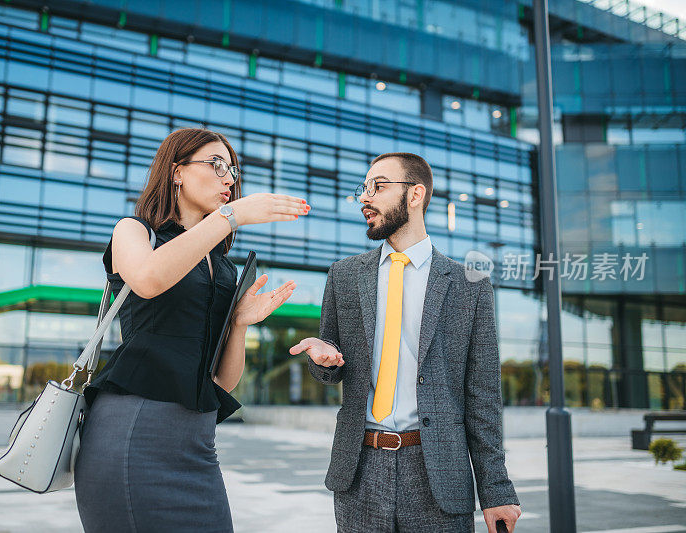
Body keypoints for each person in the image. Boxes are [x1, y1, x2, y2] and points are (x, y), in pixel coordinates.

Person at [74, 128, 310, 532]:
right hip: (133, 429)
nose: (229, 179)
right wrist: (230, 216)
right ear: (177, 171)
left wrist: (238, 325)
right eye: (216, 164)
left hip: (197, 442)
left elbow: (222, 381)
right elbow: (148, 279)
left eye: (233, 170)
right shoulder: (133, 231)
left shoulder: (222, 267)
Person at [289, 152, 521, 533]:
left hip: (438, 474)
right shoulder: (344, 276)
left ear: (415, 195)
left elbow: (483, 396)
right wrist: (323, 359)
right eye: (364, 189)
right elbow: (332, 368)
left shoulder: (469, 285)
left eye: (377, 186)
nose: (365, 198)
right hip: (359, 471)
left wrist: (496, 489)